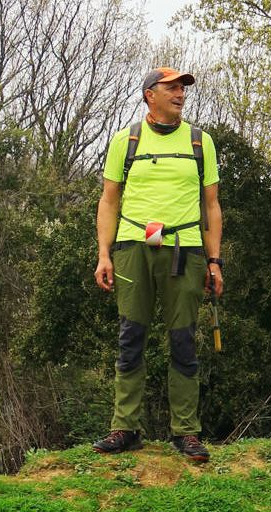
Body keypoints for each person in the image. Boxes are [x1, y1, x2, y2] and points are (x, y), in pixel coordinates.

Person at [92, 67, 224, 463]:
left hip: (186, 248)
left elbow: (212, 206)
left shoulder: (202, 142)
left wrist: (214, 260)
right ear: (150, 94)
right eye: (171, 87)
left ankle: (186, 432)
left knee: (183, 339)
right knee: (131, 335)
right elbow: (109, 200)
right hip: (133, 246)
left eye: (183, 88)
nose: (180, 93)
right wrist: (104, 253)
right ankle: (125, 427)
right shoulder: (125, 141)